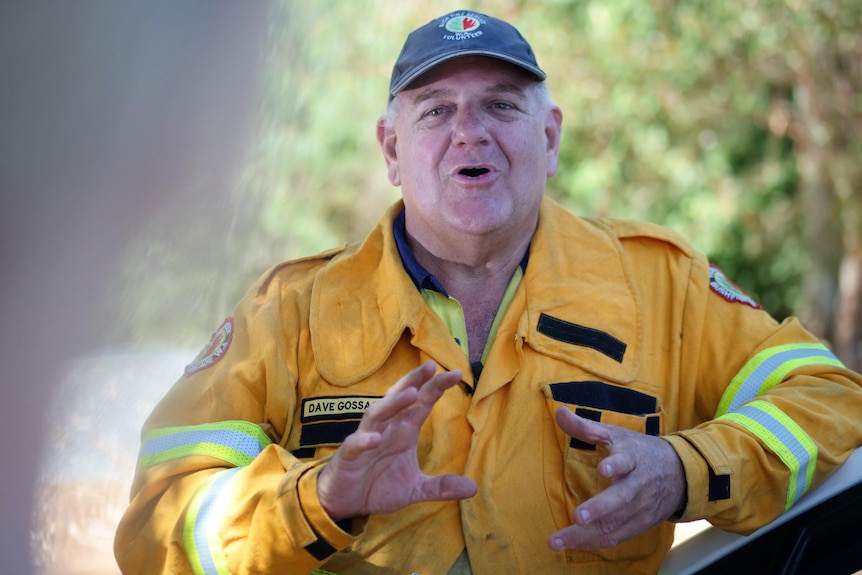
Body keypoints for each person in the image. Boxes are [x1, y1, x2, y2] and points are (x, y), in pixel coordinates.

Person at [114, 9, 862, 575]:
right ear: (392, 150)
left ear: (550, 138)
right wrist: (322, 498)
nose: (469, 131)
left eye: (502, 105)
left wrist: (681, 472)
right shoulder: (288, 311)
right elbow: (159, 522)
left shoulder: (660, 282)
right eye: (436, 109)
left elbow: (827, 396)